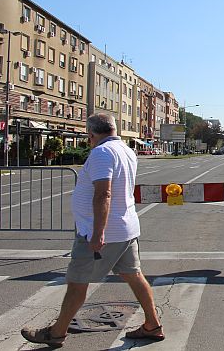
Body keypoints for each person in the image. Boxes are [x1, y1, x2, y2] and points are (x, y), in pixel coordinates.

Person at [21, 113, 164, 347]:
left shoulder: (102, 153)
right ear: (114, 129)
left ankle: (56, 333)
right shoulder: (127, 150)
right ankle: (153, 324)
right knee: (134, 276)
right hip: (125, 229)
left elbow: (103, 193)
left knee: (78, 281)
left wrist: (98, 233)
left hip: (101, 232)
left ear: (91, 135)